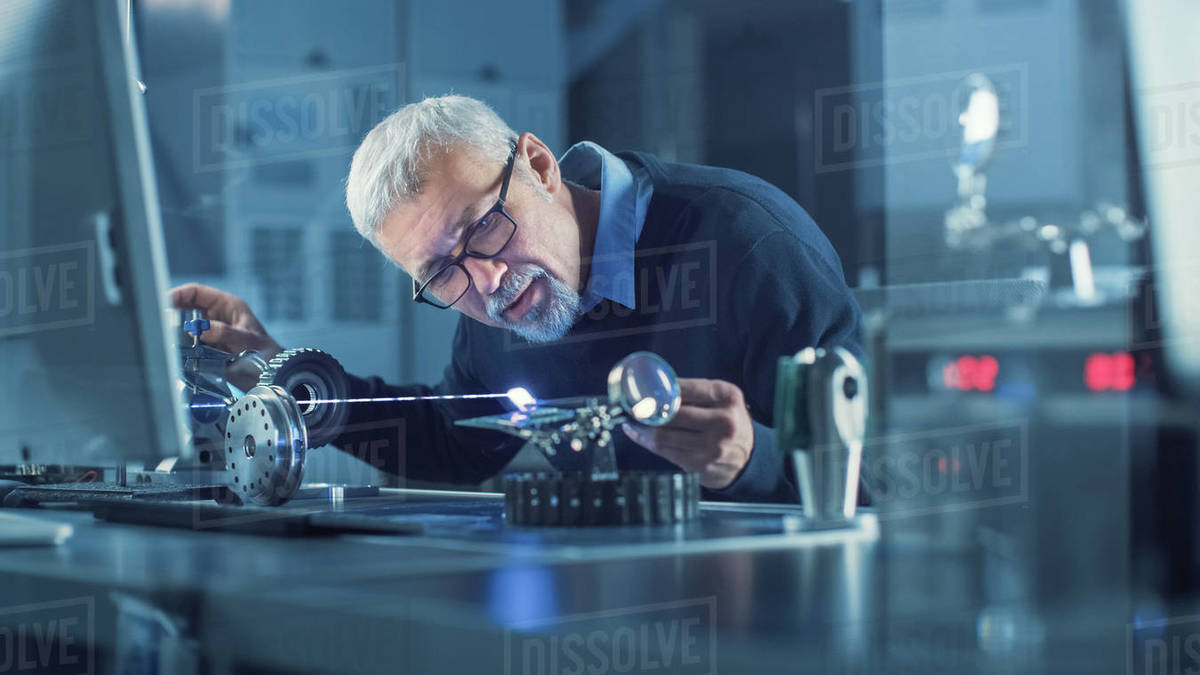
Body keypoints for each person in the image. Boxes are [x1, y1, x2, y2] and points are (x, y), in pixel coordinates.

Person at [172, 95, 861, 503]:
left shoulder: (750, 246)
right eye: (441, 272)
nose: (486, 281)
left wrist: (751, 458)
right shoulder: (493, 300)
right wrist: (286, 375)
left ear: (538, 164)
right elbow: (456, 437)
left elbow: (869, 486)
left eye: (484, 228)